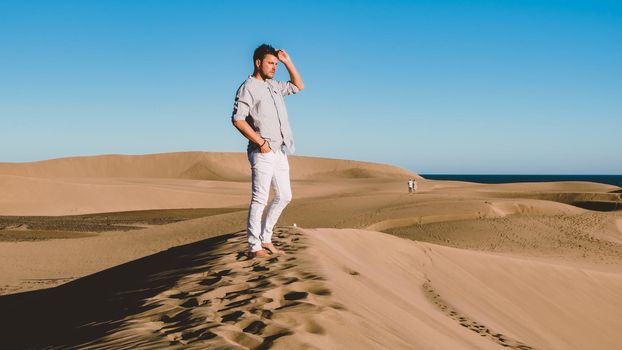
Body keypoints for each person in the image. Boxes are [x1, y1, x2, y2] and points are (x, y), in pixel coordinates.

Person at [231, 44, 304, 258]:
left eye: (275, 64)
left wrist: (287, 61)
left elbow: (299, 85)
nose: (274, 68)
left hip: (280, 150)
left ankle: (266, 238)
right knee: (260, 199)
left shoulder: (274, 86)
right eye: (270, 63)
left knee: (284, 196)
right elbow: (237, 119)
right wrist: (261, 143)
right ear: (258, 63)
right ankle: (254, 247)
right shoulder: (248, 87)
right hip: (262, 151)